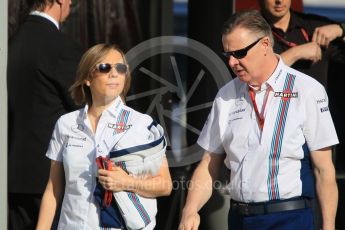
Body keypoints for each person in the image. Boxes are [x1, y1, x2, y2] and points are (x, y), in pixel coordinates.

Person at [179, 10, 338, 230]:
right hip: (239, 218)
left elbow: (324, 170)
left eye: (240, 53)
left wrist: (328, 226)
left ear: (265, 44)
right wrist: (190, 210)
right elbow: (209, 163)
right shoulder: (226, 95)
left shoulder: (307, 90)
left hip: (290, 218)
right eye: (228, 55)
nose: (232, 62)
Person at [36, 43, 173, 229]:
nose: (114, 73)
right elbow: (53, 189)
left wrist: (127, 182)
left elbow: (165, 184)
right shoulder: (66, 124)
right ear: (87, 78)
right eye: (104, 67)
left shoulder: (141, 124)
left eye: (121, 68)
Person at [7, 0, 83, 229]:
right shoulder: (62, 48)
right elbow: (85, 110)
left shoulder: (10, 43)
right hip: (50, 181)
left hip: (10, 178)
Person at [258, 0, 345, 87]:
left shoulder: (314, 24)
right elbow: (258, 76)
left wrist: (341, 29)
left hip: (318, 99)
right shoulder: (250, 30)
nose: (279, 1)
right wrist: (296, 53)